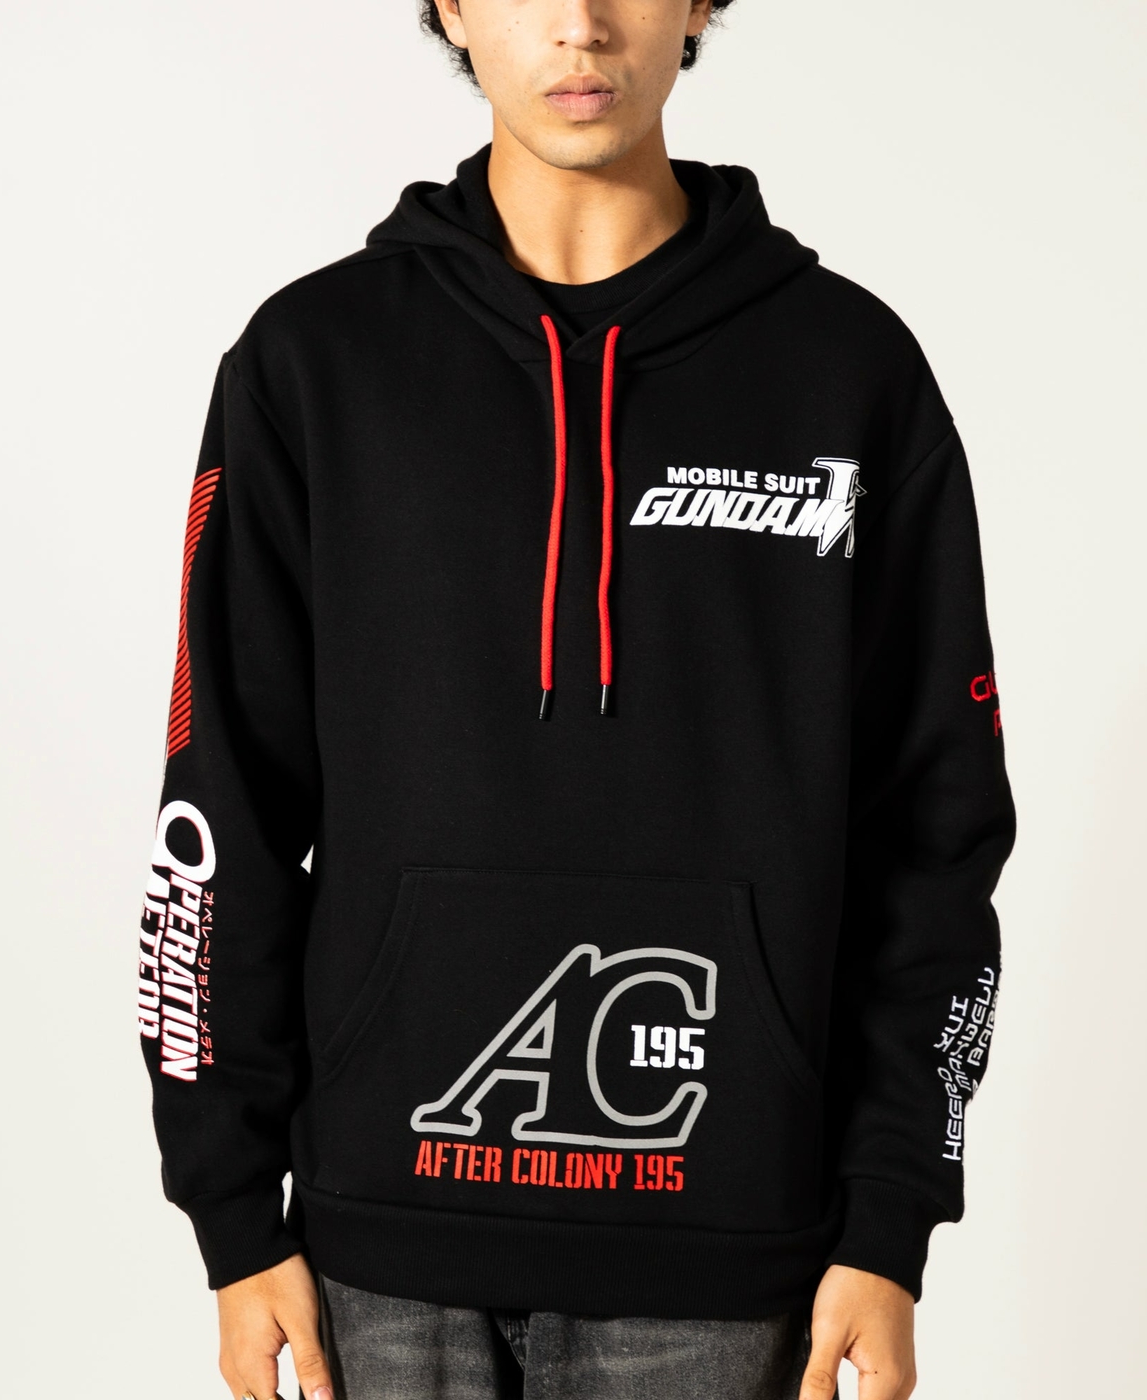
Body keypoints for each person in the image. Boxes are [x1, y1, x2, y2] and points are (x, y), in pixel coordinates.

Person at [135, 2, 1015, 1397]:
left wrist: (892, 1215)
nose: (582, 23)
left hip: (730, 1243)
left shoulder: (850, 374)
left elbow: (938, 838)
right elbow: (220, 811)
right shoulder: (314, 365)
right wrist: (232, 1216)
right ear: (450, 6)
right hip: (381, 1246)